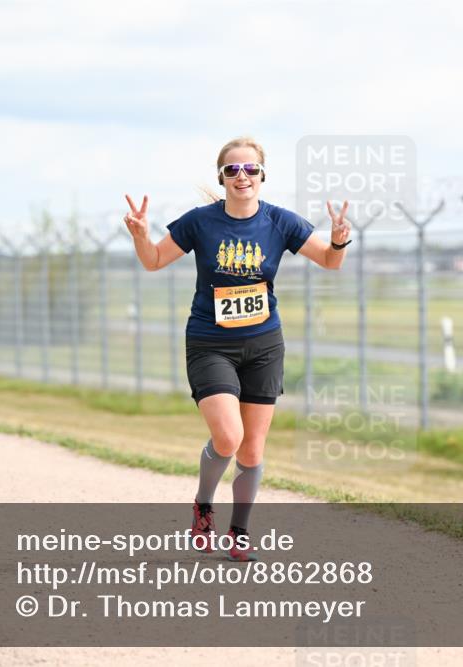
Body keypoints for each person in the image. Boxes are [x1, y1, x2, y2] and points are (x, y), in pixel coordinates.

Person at [123, 136, 351, 561]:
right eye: (233, 170)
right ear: (222, 177)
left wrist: (338, 240)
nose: (241, 176)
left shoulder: (281, 222)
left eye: (250, 169)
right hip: (211, 343)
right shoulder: (200, 222)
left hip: (264, 345)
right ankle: (203, 505)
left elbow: (330, 260)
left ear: (262, 175)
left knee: (252, 449)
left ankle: (240, 531)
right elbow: (153, 260)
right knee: (228, 437)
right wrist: (140, 235)